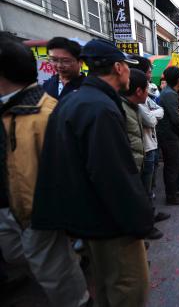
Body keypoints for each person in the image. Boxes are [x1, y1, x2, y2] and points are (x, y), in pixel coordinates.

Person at [31, 39, 153, 306]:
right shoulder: (100, 108)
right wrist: (142, 222)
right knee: (128, 288)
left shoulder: (77, 100)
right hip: (112, 223)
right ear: (119, 68)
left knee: (106, 285)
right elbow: (113, 176)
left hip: (90, 219)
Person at [0, 33, 89, 307]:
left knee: (59, 277)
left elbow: (73, 170)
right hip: (11, 209)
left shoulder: (54, 110)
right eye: (54, 61)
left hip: (40, 213)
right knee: (24, 258)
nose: (59, 66)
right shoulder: (48, 88)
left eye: (65, 60)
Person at [121, 69, 168, 240]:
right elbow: (151, 120)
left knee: (149, 189)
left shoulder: (141, 101)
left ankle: (149, 218)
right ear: (139, 90)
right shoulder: (130, 105)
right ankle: (145, 227)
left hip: (148, 148)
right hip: (141, 153)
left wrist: (153, 115)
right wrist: (153, 116)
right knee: (142, 192)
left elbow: (159, 111)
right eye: (147, 89)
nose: (150, 93)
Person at [156, 66, 179, 205]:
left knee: (172, 165)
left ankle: (173, 192)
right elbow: (175, 119)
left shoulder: (169, 92)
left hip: (169, 134)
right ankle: (171, 196)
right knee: (172, 166)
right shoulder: (170, 94)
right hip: (169, 135)